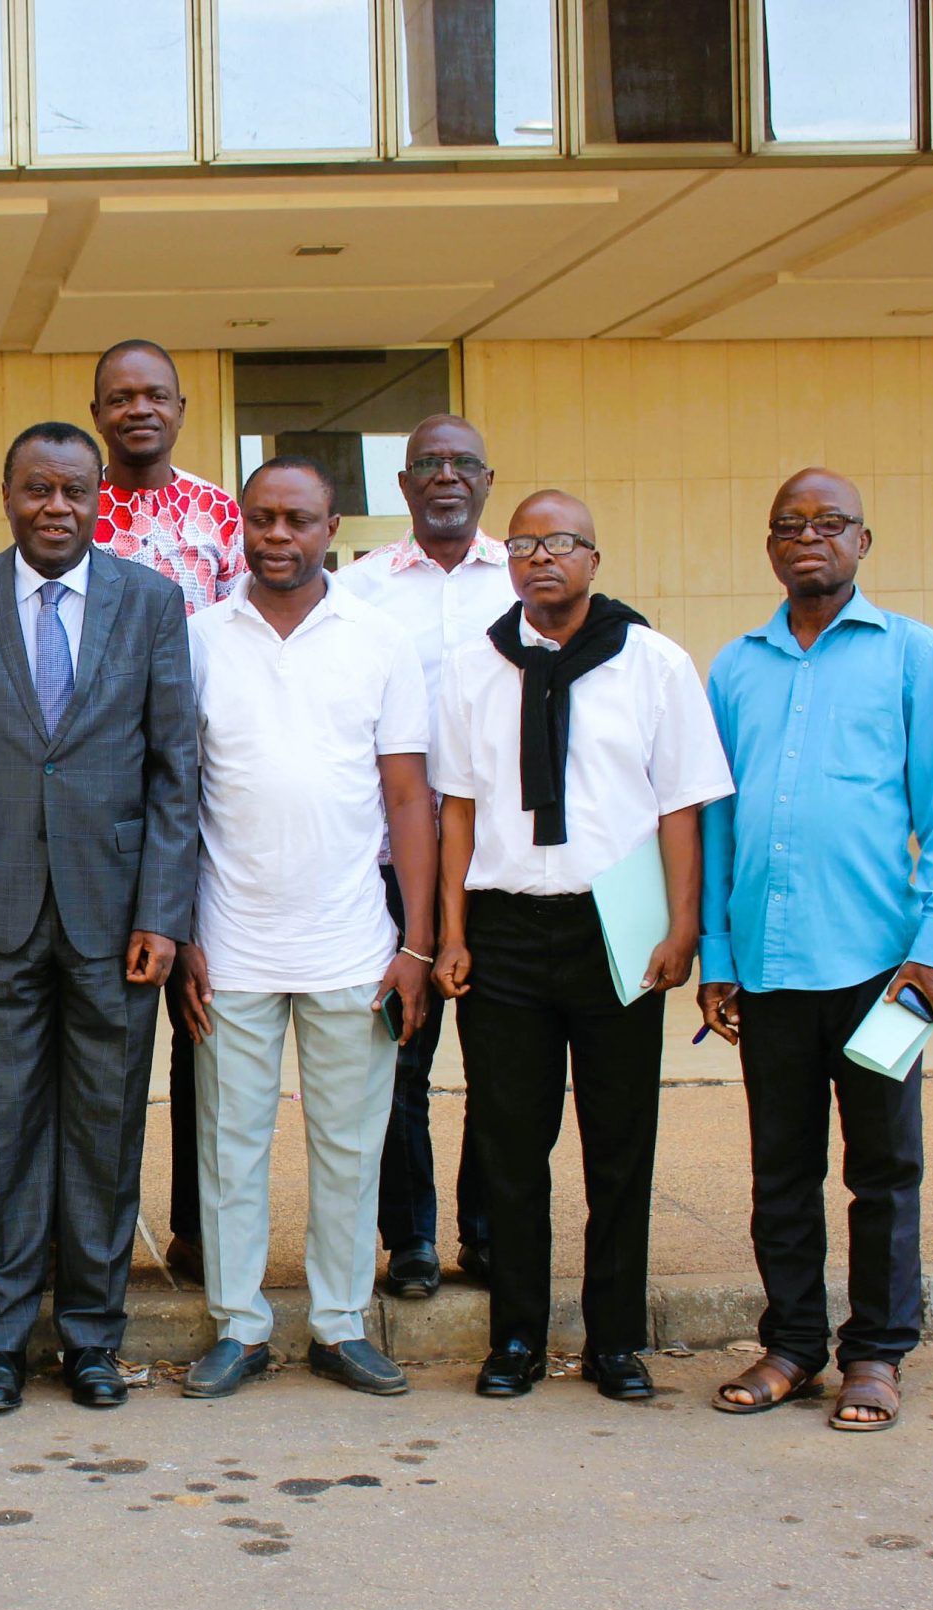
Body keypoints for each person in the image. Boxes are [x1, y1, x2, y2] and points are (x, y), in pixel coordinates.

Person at [0, 422, 199, 1413]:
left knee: (103, 1128)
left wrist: (164, 914)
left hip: (116, 915)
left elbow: (175, 771)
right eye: (37, 489)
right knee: (0, 1130)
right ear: (8, 495)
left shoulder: (151, 602)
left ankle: (87, 1337)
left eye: (74, 491)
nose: (56, 508)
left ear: (97, 500)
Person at [431, 490, 732, 1402]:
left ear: (594, 559)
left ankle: (614, 1341)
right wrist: (449, 933)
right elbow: (456, 809)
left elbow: (681, 804)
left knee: (618, 1145)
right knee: (512, 1146)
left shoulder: (655, 662)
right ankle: (516, 1338)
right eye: (523, 544)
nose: (540, 558)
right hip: (506, 930)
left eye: (560, 542)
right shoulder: (471, 666)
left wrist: (683, 928)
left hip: (619, 928)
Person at [700, 470, 933, 1433]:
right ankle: (793, 1343)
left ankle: (876, 1353)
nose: (806, 537)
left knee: (883, 1168)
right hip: (770, 965)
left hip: (883, 967)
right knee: (779, 1169)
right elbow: (719, 824)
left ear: (865, 541)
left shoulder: (915, 655)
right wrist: (719, 954)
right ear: (769, 545)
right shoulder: (735, 667)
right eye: (788, 524)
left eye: (828, 524)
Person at [173, 458, 434, 1402]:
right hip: (230, 941)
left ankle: (337, 1324)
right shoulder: (198, 637)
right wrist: (180, 930)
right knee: (230, 1146)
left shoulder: (380, 638)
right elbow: (175, 794)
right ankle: (238, 1326)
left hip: (353, 944)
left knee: (348, 1145)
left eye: (299, 520)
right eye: (261, 519)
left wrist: (417, 943)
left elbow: (409, 798)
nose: (277, 535)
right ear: (240, 525)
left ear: (332, 528)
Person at [332, 413, 512, 1299]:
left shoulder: (527, 581)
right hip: (388, 860)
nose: (445, 476)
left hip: (496, 861)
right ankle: (408, 1240)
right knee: (395, 1056)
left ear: (487, 481)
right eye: (427, 465)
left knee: (497, 1055)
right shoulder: (358, 591)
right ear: (401, 487)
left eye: (462, 464)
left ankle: (485, 1232)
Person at [87, 338, 244, 1288]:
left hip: (202, 790)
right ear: (98, 410)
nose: (137, 408)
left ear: (181, 407)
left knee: (199, 1014)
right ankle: (92, 1231)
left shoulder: (220, 514)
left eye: (154, 394)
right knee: (105, 1031)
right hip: (100, 792)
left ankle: (194, 1226)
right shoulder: (71, 505)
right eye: (119, 396)